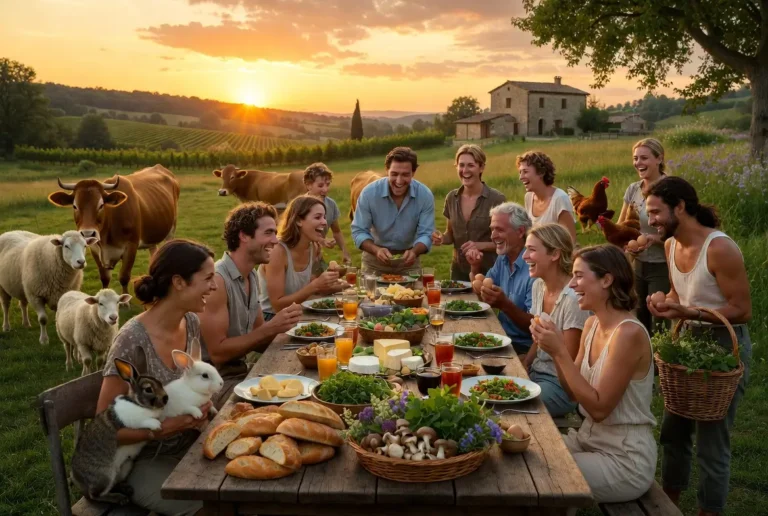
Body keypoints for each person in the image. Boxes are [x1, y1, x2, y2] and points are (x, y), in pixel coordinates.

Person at [645, 176, 752, 516]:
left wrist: (688, 311)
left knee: (711, 442)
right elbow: (681, 293)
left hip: (724, 343)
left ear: (680, 207)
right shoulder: (670, 245)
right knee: (672, 432)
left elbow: (742, 309)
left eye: (656, 212)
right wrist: (666, 302)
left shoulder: (720, 248)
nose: (651, 221)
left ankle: (710, 510)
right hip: (686, 341)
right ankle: (668, 504)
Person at [98, 239, 217, 515]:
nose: (214, 286)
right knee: (215, 506)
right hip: (140, 460)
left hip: (190, 446)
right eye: (208, 278)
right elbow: (104, 430)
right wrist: (163, 428)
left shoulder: (190, 323)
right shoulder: (132, 341)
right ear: (178, 282)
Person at [533, 244, 656, 503]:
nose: (573, 284)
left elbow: (600, 409)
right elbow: (571, 392)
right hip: (589, 440)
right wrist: (555, 352)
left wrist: (561, 352)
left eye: (579, 276)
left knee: (544, 475)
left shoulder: (628, 333)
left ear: (606, 280)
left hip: (623, 458)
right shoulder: (591, 323)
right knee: (528, 454)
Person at [198, 202, 303, 409]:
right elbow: (218, 352)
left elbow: (257, 337)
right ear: (244, 236)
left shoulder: (251, 275)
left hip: (240, 370)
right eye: (269, 233)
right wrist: (272, 327)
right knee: (282, 407)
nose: (275, 240)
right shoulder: (218, 281)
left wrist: (297, 335)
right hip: (213, 382)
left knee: (300, 383)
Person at [522, 223, 589, 417]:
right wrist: (525, 363)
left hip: (561, 387)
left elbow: (570, 362)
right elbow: (538, 337)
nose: (525, 256)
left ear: (555, 254)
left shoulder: (573, 299)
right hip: (536, 373)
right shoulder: (538, 286)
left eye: (532, 250)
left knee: (513, 406)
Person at [351, 146, 435, 275]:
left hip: (409, 264)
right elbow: (359, 231)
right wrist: (376, 250)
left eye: (405, 175)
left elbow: (426, 234)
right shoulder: (369, 193)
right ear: (387, 170)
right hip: (374, 263)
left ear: (413, 172)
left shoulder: (424, 195)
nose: (399, 181)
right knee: (371, 295)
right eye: (394, 174)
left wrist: (414, 252)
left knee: (415, 295)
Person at [258, 195, 345, 318]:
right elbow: (277, 305)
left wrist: (339, 283)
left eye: (324, 217)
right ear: (298, 220)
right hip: (271, 319)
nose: (325, 222)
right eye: (318, 217)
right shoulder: (277, 252)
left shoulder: (313, 247)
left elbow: (315, 286)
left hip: (298, 314)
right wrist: (315, 285)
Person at [467, 202, 535, 353]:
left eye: (499, 230)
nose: (493, 236)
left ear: (520, 231)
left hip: (523, 348)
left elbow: (535, 327)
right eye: (492, 229)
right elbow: (482, 294)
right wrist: (475, 267)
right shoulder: (503, 258)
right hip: (501, 338)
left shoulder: (533, 267)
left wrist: (505, 305)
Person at [431, 144, 506, 279]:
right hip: (458, 270)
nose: (465, 170)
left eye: (470, 165)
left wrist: (479, 245)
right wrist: (441, 238)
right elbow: (450, 235)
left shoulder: (496, 199)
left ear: (481, 167)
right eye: (461, 165)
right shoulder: (451, 198)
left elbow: (506, 242)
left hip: (489, 271)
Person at [620, 138, 669, 335]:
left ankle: (662, 366)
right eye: (635, 158)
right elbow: (622, 226)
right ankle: (644, 364)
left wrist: (652, 240)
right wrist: (626, 244)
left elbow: (682, 235)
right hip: (636, 265)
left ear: (659, 159)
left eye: (644, 158)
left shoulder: (671, 189)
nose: (638, 163)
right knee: (638, 321)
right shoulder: (633, 189)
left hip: (662, 265)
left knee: (659, 323)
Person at [518, 150, 577, 243]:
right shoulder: (528, 197)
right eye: (520, 172)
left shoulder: (559, 199)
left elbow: (570, 240)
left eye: (525, 171)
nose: (520, 177)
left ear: (541, 172)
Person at [303, 162, 352, 265]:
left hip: (317, 256)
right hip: (300, 258)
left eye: (328, 184)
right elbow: (298, 234)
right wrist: (322, 240)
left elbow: (337, 232)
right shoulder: (300, 206)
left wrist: (345, 252)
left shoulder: (331, 204)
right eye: (320, 185)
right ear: (308, 185)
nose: (325, 189)